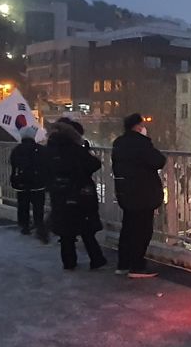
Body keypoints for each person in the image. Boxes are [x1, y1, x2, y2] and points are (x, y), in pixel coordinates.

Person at [46, 119, 107, 270]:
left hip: (59, 192)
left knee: (66, 231)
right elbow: (94, 164)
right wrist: (86, 151)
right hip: (80, 193)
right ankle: (96, 259)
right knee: (86, 229)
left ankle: (69, 261)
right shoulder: (75, 149)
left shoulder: (51, 149)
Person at [111, 113, 166, 278]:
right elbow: (158, 161)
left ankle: (123, 263)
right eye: (143, 125)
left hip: (125, 191)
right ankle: (137, 265)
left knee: (128, 227)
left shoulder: (119, 143)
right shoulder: (141, 144)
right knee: (142, 229)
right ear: (137, 126)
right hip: (142, 193)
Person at [9, 125, 50, 243]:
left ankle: (25, 226)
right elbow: (46, 165)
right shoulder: (41, 149)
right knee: (38, 206)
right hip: (38, 183)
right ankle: (39, 226)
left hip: (21, 182)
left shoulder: (17, 150)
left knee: (23, 205)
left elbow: (13, 164)